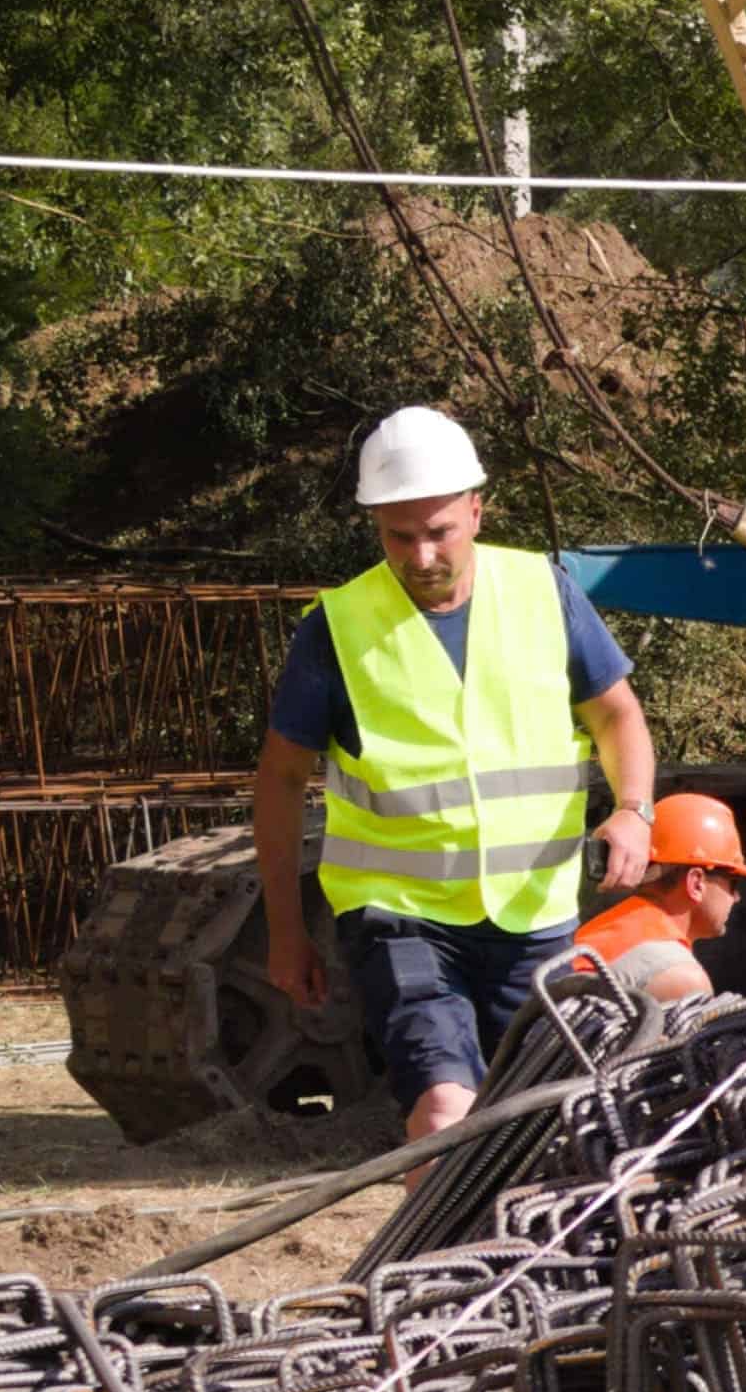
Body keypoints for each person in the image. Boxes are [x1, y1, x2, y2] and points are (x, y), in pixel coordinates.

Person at [253, 406, 657, 1139]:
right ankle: (435, 1258)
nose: (422, 555)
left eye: (439, 531)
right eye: (398, 535)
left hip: (534, 918)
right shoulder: (335, 627)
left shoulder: (546, 591)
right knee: (446, 1109)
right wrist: (286, 931)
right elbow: (280, 779)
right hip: (398, 917)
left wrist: (635, 808)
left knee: (539, 1125)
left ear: (477, 507)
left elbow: (617, 716)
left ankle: (499, 1253)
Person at [565, 793, 746, 1004]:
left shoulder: (613, 926)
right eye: (734, 884)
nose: (736, 898)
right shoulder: (680, 977)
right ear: (696, 883)